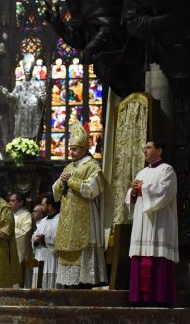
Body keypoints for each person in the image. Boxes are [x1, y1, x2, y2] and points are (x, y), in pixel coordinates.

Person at [52, 123, 107, 288]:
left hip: (85, 217)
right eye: (70, 149)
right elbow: (55, 191)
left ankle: (84, 283)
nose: (71, 152)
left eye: (75, 149)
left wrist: (71, 181)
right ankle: (70, 285)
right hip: (68, 218)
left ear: (84, 148)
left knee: (83, 256)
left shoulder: (92, 166)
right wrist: (62, 183)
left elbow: (92, 189)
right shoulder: (69, 166)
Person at [126, 139, 178, 305]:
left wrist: (141, 189)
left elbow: (165, 191)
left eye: (148, 147)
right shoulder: (141, 173)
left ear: (159, 150)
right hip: (142, 225)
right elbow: (132, 199)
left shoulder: (167, 170)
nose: (145, 151)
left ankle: (160, 298)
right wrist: (133, 192)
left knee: (157, 260)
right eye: (144, 148)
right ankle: (138, 298)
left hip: (159, 226)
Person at [0, 53, 46, 139]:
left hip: (33, 116)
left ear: (32, 71)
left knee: (33, 136)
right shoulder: (19, 85)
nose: (27, 74)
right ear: (24, 72)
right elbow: (14, 97)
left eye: (29, 72)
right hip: (22, 117)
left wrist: (43, 98)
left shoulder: (37, 84)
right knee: (21, 136)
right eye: (26, 72)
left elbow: (41, 97)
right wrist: (8, 94)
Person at [32, 197, 60, 289]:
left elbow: (59, 240)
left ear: (50, 206)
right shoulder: (43, 220)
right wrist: (35, 239)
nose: (41, 207)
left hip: (51, 257)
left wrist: (43, 239)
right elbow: (35, 234)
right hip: (40, 256)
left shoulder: (59, 219)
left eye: (43, 205)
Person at [10, 193, 34, 286]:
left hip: (21, 253)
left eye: (13, 200)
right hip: (10, 252)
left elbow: (26, 232)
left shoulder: (27, 215)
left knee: (23, 280)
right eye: (10, 200)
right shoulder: (10, 215)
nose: (10, 203)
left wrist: (9, 232)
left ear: (20, 202)